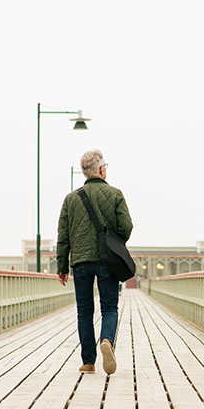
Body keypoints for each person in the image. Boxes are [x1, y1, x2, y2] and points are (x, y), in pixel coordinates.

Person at [56, 149, 133, 374]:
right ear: (101, 170)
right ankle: (107, 340)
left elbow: (63, 236)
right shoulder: (115, 194)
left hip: (80, 260)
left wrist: (62, 266)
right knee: (109, 307)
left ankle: (88, 362)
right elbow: (126, 227)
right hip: (107, 259)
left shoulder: (71, 199)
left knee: (84, 311)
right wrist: (115, 243)